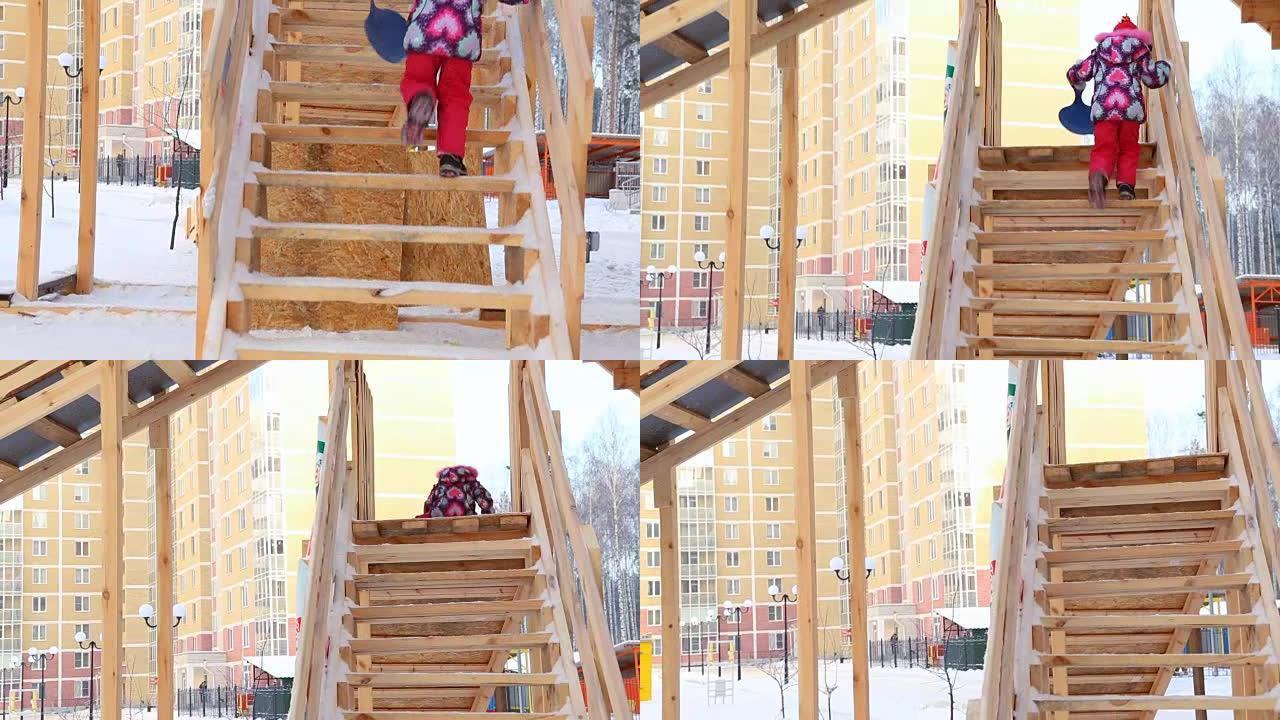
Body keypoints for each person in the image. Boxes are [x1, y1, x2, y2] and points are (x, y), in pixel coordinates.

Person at [400, 0, 527, 177]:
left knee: (417, 78)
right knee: (455, 96)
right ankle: (450, 157)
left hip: (423, 30)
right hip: (461, 35)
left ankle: (419, 101)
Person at [1067, 15, 1171, 209]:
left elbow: (1080, 72)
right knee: (1128, 148)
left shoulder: (1100, 50)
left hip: (1104, 110)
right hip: (1129, 111)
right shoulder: (1140, 50)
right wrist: (1166, 67)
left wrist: (1075, 75)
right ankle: (1125, 187)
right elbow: (1152, 78)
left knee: (1104, 148)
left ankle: (1098, 175)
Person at [417, 464, 495, 517]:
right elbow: (485, 501)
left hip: (439, 521)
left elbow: (428, 503)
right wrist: (488, 520)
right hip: (466, 521)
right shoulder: (471, 482)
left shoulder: (441, 484)